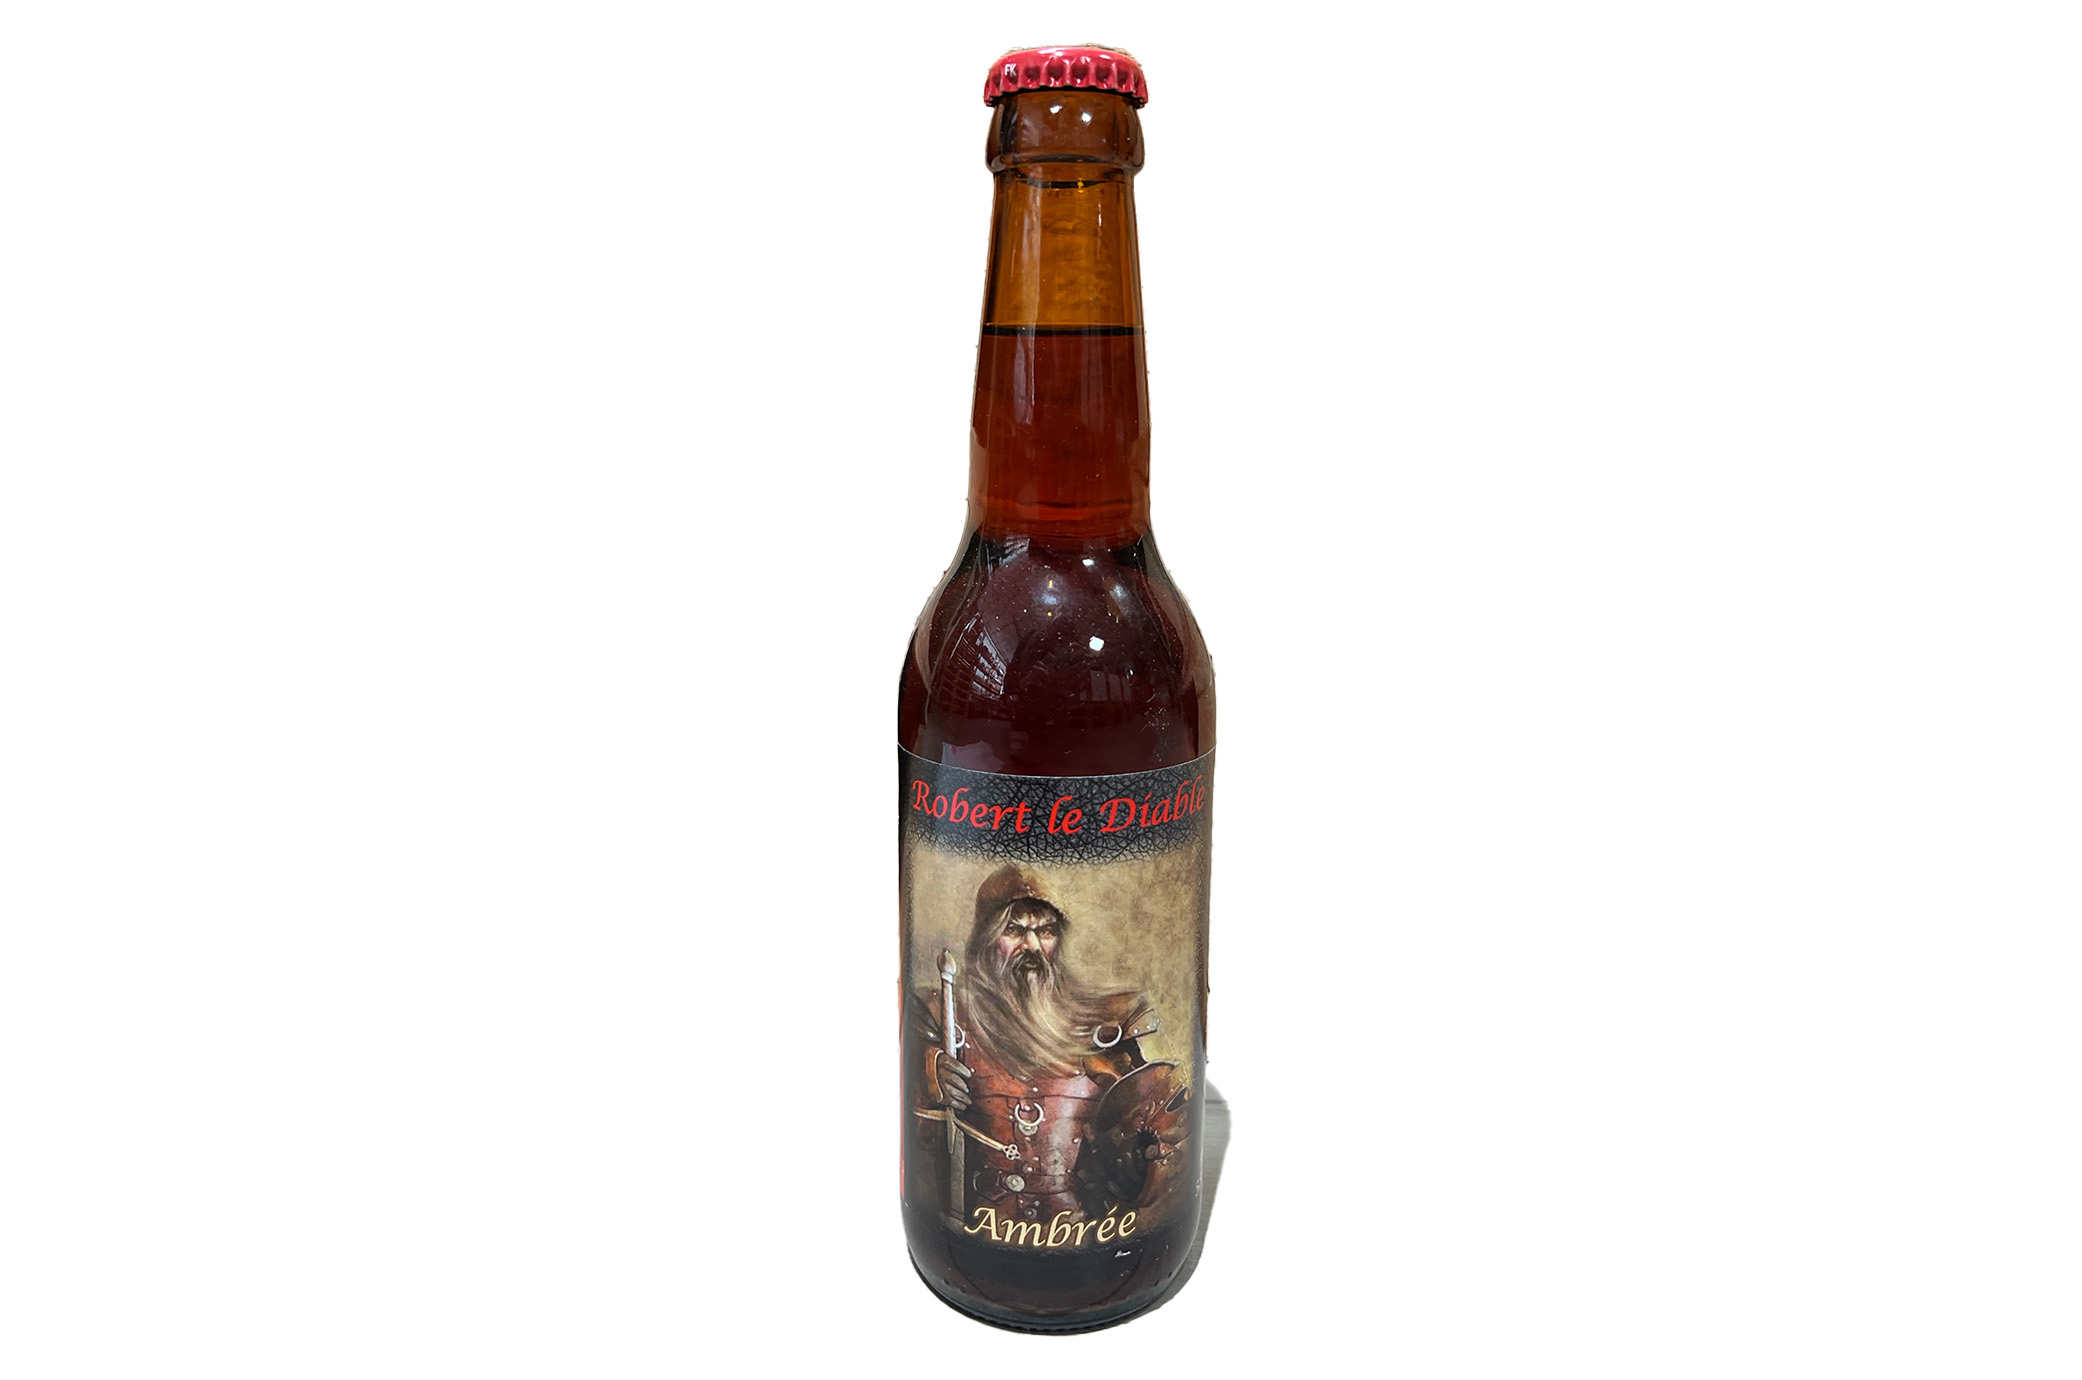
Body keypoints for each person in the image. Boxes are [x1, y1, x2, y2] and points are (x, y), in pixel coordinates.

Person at [912, 864, 1191, 1229]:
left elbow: (1159, 1142)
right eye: (1014, 930)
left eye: (1045, 932)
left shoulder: (1110, 1024)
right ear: (985, 939)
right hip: (979, 1226)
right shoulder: (944, 1017)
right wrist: (928, 1077)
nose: (1032, 947)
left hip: (1083, 1232)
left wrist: (1143, 1154)